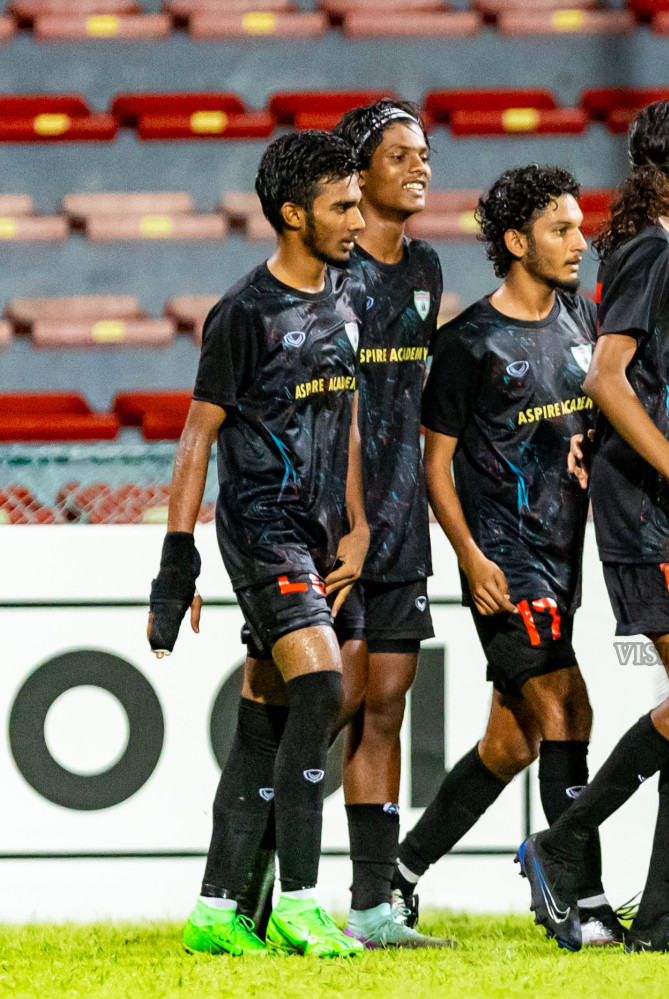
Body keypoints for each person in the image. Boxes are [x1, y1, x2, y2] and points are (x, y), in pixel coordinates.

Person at [392, 165, 626, 947]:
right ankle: (577, 891)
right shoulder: (468, 345)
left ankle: (403, 871)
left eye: (579, 227)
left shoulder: (580, 322)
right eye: (562, 229)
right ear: (518, 241)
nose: (579, 241)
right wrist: (471, 558)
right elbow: (435, 467)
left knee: (512, 742)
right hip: (503, 563)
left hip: (563, 559)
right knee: (568, 709)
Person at [514, 101, 669, 954]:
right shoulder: (649, 250)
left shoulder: (659, 253)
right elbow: (609, 377)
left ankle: (663, 912)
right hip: (651, 510)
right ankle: (559, 844)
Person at [152, 131, 368, 957]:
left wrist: (355, 523)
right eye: (340, 205)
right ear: (292, 214)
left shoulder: (344, 301)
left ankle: (216, 912)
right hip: (260, 530)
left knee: (263, 720)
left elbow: (340, 421)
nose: (355, 218)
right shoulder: (243, 314)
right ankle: (301, 903)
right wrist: (178, 563)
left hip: (317, 537)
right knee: (323, 688)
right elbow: (194, 437)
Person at [320, 99, 449, 950]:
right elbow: (341, 413)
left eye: (425, 152)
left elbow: (421, 399)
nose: (419, 165)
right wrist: (353, 523)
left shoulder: (428, 269)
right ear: (358, 175)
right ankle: (251, 886)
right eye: (399, 154)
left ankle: (372, 906)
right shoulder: (334, 273)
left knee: (388, 705)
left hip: (403, 520)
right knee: (330, 702)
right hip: (336, 520)